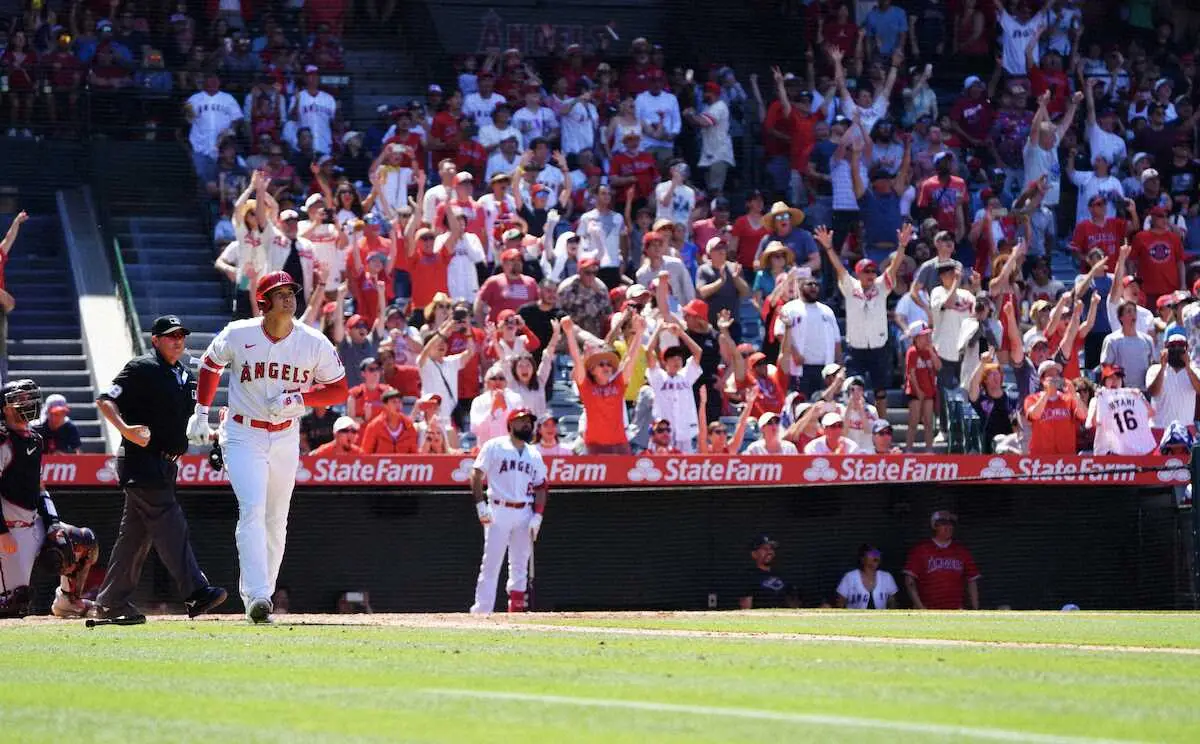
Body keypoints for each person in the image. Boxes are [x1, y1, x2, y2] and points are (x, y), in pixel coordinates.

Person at [188, 272, 348, 624]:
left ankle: (264, 596)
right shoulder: (239, 333)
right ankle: (257, 595)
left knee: (276, 519)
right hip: (243, 433)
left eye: (291, 291)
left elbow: (339, 389)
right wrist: (200, 412)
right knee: (253, 509)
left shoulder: (313, 341)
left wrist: (301, 398)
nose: (289, 297)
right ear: (264, 302)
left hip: (286, 436)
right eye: (280, 293)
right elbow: (211, 365)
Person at [93, 317, 227, 623]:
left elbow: (184, 425)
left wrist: (213, 435)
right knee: (171, 523)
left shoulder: (184, 374)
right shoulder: (141, 367)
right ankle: (196, 592)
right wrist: (125, 429)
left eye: (181, 335)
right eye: (170, 336)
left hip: (166, 465)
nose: (177, 340)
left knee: (134, 539)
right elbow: (105, 400)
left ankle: (111, 602)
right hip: (142, 460)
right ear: (155, 340)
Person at [0, 380, 100, 619]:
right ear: (5, 407)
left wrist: (53, 523)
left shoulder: (35, 438)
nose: (28, 403)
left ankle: (68, 601)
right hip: (7, 530)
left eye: (29, 398)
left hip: (33, 523)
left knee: (83, 542)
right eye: (20, 399)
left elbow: (39, 487)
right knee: (15, 604)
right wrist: (2, 532)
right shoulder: (2, 440)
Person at [819, 223, 909, 416]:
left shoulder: (881, 287)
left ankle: (881, 423)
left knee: (880, 392)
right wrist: (828, 248)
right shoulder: (850, 287)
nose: (871, 275)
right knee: (853, 387)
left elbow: (893, 268)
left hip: (879, 347)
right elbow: (839, 269)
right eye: (866, 272)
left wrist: (902, 246)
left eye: (873, 271)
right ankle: (853, 422)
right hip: (856, 348)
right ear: (858, 274)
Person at [470, 409, 548, 614]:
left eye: (529, 421)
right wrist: (481, 506)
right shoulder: (495, 446)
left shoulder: (534, 454)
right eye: (521, 421)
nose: (527, 425)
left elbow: (541, 486)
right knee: (491, 563)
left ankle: (516, 611)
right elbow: (476, 475)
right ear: (511, 424)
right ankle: (481, 611)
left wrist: (538, 515)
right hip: (498, 509)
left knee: (520, 564)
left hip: (524, 511)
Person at [563, 315, 644, 454]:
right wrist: (570, 333)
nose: (606, 367)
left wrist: (639, 333)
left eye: (608, 364)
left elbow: (630, 359)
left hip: (620, 445)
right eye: (601, 364)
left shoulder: (618, 384)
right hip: (594, 447)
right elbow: (577, 360)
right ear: (592, 370)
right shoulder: (587, 387)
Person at [645, 322, 706, 452]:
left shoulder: (686, 376)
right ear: (664, 361)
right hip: (663, 432)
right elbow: (648, 352)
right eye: (672, 358)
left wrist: (681, 333)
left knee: (686, 462)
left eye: (679, 358)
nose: (676, 361)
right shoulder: (659, 377)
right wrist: (658, 330)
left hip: (684, 432)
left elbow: (698, 352)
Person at [903, 510, 980, 610]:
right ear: (934, 526)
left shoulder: (962, 551)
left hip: (956, 611)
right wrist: (921, 608)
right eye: (944, 523)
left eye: (951, 524)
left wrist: (975, 610)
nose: (948, 527)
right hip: (928, 610)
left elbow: (972, 581)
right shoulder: (921, 550)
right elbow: (909, 581)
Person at [1088, 364, 1157, 455]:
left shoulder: (1132, 396)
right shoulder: (1098, 399)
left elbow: (1151, 413)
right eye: (1111, 378)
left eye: (1118, 378)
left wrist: (1141, 398)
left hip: (1131, 451)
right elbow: (1093, 423)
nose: (1115, 381)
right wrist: (1098, 400)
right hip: (1107, 452)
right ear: (1104, 380)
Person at [1024, 359, 1088, 455]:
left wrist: (1074, 394)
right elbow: (1034, 415)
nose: (1055, 378)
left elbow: (1083, 415)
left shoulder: (1068, 399)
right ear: (1042, 379)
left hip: (1066, 456)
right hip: (1041, 457)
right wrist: (1047, 393)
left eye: (1057, 375)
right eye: (1050, 375)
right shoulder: (1032, 399)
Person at [1146, 334, 1200, 429]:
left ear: (1187, 349)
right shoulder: (1154, 369)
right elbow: (1154, 392)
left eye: (1181, 346)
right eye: (1172, 346)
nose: (1176, 349)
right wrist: (1163, 367)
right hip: (1159, 428)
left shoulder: (1194, 370)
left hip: (1185, 429)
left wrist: (1188, 367)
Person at [904, 320, 939, 452]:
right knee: (913, 422)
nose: (927, 338)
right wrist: (918, 391)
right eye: (924, 335)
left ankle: (929, 450)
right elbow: (911, 373)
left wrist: (931, 352)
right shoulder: (912, 352)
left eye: (928, 335)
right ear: (916, 337)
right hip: (915, 392)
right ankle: (908, 449)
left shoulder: (931, 350)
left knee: (929, 423)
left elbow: (938, 366)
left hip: (929, 391)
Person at [738, 534, 800, 609]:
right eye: (765, 549)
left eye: (771, 549)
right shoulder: (748, 577)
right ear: (754, 554)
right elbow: (746, 609)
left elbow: (794, 604)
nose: (770, 552)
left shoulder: (783, 575)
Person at [470, 365, 525, 446]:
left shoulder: (516, 399)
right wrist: (492, 411)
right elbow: (475, 429)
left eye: (501, 378)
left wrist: (505, 409)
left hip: (510, 448)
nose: (498, 381)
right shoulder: (478, 401)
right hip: (487, 448)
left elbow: (520, 427)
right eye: (493, 378)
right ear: (486, 382)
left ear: (506, 382)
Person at [835, 544, 899, 609]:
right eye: (872, 553)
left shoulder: (887, 577)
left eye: (877, 553)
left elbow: (892, 603)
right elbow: (840, 603)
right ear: (862, 558)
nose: (876, 556)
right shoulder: (849, 577)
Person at [361, 390, 420, 454]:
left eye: (399, 402)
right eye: (394, 402)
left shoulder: (408, 425)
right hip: (382, 460)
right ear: (385, 405)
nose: (398, 405)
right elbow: (365, 454)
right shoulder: (374, 426)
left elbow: (414, 454)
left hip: (403, 460)